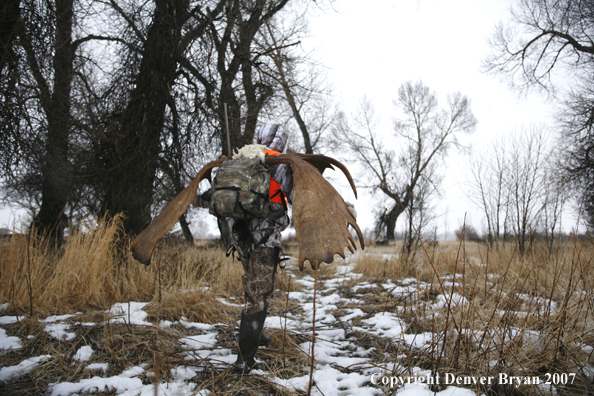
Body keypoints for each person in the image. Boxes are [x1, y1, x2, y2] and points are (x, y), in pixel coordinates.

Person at [195, 123, 293, 373]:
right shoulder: (279, 164)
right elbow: (294, 197)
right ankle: (245, 359)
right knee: (258, 292)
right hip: (265, 239)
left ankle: (255, 335)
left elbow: (206, 198)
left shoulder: (239, 160)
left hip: (241, 237)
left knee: (255, 285)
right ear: (281, 141)